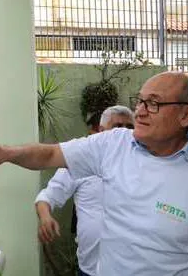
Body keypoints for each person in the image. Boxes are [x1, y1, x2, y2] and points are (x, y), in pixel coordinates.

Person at [0, 72, 188, 275]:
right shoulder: (113, 144)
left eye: (154, 103)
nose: (141, 111)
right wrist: (6, 153)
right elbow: (51, 153)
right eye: (140, 101)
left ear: (186, 115)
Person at [36, 105, 134, 276]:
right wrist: (45, 217)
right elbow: (47, 196)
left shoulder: (143, 164)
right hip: (91, 268)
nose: (124, 133)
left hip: (132, 267)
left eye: (129, 128)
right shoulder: (80, 163)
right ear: (101, 131)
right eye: (118, 127)